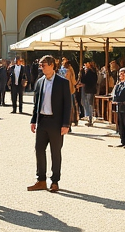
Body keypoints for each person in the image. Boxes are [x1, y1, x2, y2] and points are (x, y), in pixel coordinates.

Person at [27, 55, 72, 192]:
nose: (42, 66)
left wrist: (66, 124)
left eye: (44, 64)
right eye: (41, 64)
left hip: (56, 122)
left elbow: (67, 105)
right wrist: (33, 120)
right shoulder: (40, 82)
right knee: (39, 150)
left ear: (52, 65)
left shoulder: (62, 83)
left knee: (55, 152)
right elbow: (36, 103)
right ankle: (41, 180)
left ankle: (55, 181)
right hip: (42, 121)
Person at [79, 61, 98, 126]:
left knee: (89, 104)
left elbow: (84, 80)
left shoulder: (90, 72)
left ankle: (90, 118)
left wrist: (82, 72)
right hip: (89, 89)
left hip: (89, 89)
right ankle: (88, 117)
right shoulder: (93, 71)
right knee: (86, 103)